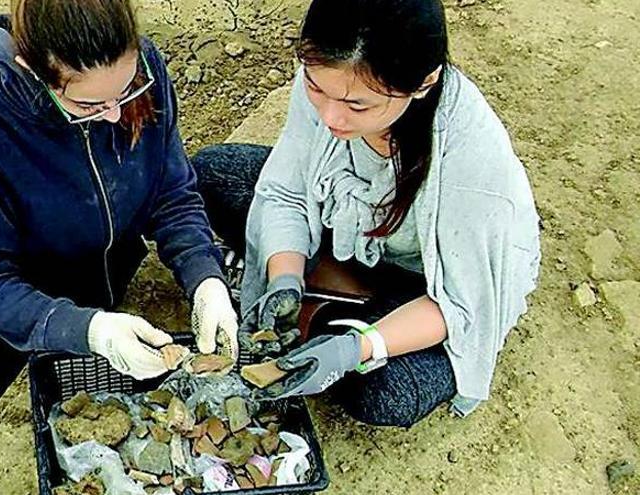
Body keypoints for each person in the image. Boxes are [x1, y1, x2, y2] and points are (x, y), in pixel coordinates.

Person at [194, 0, 540, 426]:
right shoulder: (334, 82)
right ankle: (318, 297)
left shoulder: (470, 164)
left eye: (358, 106)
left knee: (384, 393)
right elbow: (287, 191)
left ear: (423, 82)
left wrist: (356, 349)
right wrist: (284, 277)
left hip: (428, 281)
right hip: (347, 226)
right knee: (213, 174)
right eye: (315, 88)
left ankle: (345, 317)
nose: (330, 116)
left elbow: (461, 303)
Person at [0, 0, 238, 463]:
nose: (115, 115)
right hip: (2, 313)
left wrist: (205, 277)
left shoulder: (143, 68)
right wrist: (89, 331)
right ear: (30, 67)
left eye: (126, 92)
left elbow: (170, 190)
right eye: (90, 104)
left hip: (105, 276)